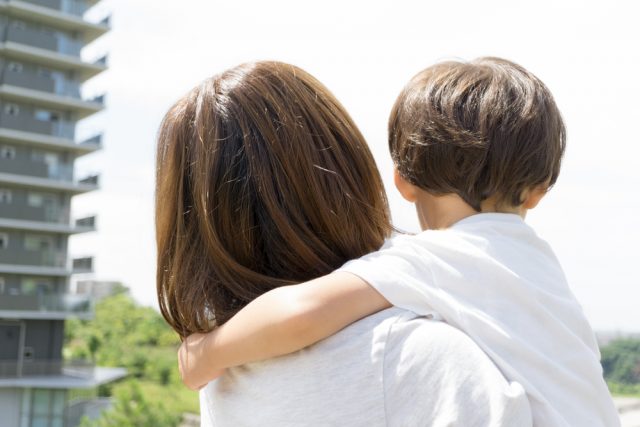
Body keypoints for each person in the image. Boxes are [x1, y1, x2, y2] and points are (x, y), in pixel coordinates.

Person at [178, 58, 620, 427]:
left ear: (403, 181)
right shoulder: (544, 272)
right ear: (540, 190)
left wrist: (207, 352)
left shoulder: (431, 261)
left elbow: (301, 313)